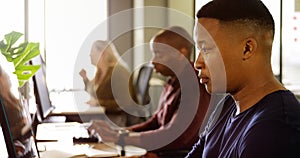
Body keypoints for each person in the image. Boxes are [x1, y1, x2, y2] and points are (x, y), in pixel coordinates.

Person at [186, 0, 300, 157]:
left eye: (206, 49)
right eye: (199, 49)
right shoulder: (228, 105)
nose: (197, 63)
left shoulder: (275, 128)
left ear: (247, 49)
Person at [88, 26, 211, 156]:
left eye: (159, 54)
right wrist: (120, 132)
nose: (153, 61)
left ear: (181, 53)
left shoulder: (193, 84)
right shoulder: (173, 81)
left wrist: (121, 138)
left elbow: (177, 135)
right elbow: (156, 121)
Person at [79, 40, 140, 127]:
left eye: (92, 51)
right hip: (108, 116)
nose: (90, 55)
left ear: (102, 53)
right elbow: (95, 92)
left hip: (119, 118)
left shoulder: (118, 71)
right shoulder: (100, 72)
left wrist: (98, 103)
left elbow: (125, 102)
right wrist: (85, 79)